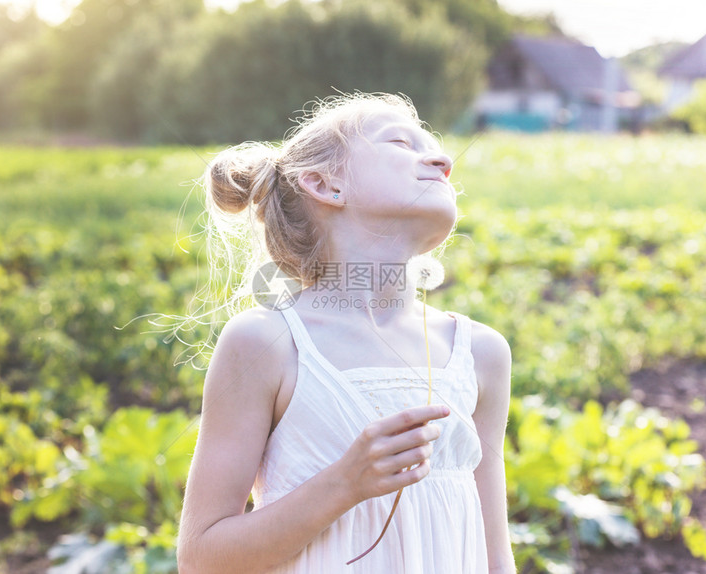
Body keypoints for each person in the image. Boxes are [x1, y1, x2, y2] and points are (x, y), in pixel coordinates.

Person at [176, 93, 515, 573]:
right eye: (401, 142)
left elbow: (495, 557)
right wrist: (345, 483)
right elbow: (203, 558)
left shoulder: (480, 352)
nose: (442, 160)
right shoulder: (267, 343)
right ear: (325, 184)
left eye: (435, 147)